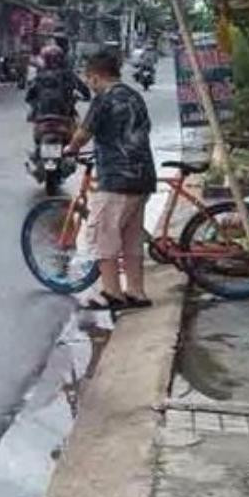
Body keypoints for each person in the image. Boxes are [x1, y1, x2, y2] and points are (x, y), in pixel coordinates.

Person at [64, 50, 157, 311]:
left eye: (89, 79)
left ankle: (112, 292)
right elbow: (140, 131)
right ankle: (136, 292)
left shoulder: (103, 99)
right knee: (131, 238)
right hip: (144, 178)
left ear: (95, 77)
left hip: (117, 179)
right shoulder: (135, 96)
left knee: (104, 234)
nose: (89, 84)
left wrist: (70, 149)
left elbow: (83, 134)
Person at [25, 44, 90, 120]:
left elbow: (28, 97)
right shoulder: (68, 74)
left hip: (43, 117)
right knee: (78, 126)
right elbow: (83, 89)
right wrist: (83, 97)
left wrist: (35, 106)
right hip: (64, 115)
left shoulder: (39, 76)